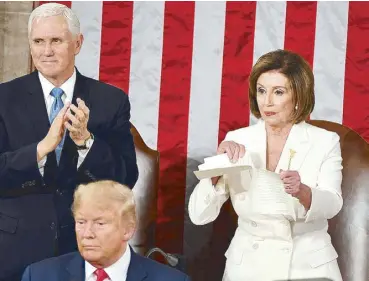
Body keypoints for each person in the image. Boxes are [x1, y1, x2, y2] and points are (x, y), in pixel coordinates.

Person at [0, 3, 138, 280]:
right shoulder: (4, 98)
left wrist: (87, 142)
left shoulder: (110, 101)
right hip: (14, 248)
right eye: (38, 41)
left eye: (56, 41)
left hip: (84, 246)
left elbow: (125, 178)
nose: (46, 51)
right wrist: (40, 150)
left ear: (77, 43)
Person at [188, 49, 343, 281]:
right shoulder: (238, 139)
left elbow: (333, 203)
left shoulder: (325, 141)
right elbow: (199, 216)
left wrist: (303, 192)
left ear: (299, 96)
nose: (267, 101)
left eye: (278, 92)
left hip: (307, 266)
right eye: (261, 91)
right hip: (248, 265)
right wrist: (216, 169)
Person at [20, 180, 190, 281]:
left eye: (100, 224)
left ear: (128, 229)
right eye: (81, 222)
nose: (87, 234)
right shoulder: (38, 276)